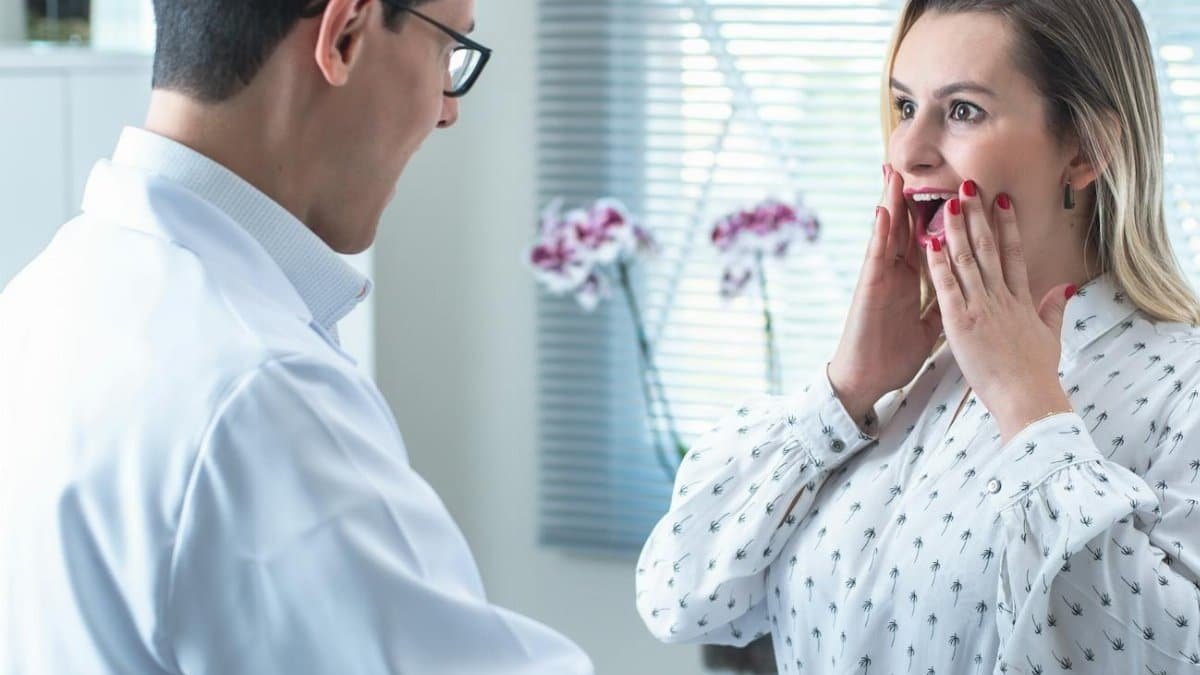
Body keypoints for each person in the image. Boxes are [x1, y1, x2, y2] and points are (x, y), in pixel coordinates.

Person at [0, 1, 592, 673]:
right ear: (345, 34)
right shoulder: (264, 394)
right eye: (445, 51)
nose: (446, 109)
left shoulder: (41, 297)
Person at [636, 0, 1200, 672]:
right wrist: (844, 390)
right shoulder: (895, 386)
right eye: (905, 107)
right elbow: (678, 598)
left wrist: (1030, 407)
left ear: (1085, 149)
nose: (907, 149)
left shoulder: (1182, 390)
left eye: (962, 110)